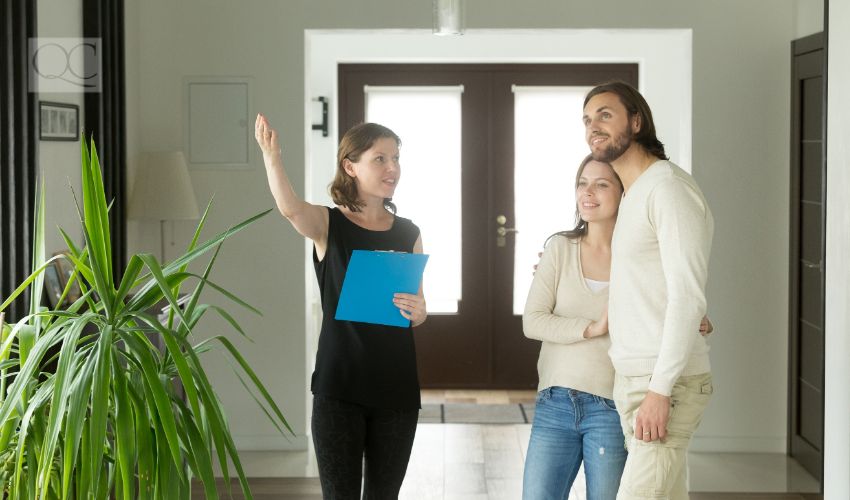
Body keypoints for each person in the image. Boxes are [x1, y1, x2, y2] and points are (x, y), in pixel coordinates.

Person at [255, 115, 427, 499]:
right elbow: (289, 208)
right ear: (350, 166)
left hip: (396, 388)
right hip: (340, 386)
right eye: (380, 158)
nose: (393, 168)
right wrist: (272, 157)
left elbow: (420, 305)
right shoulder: (327, 224)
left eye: (396, 158)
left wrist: (419, 312)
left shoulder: (409, 232)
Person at [521, 156, 712, 500]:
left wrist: (693, 318)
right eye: (582, 183)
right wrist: (591, 328)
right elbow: (533, 320)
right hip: (555, 402)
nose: (588, 193)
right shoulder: (559, 249)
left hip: (612, 405)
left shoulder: (641, 256)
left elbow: (681, 300)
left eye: (602, 184)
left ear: (624, 193)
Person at [582, 81, 714, 499]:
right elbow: (654, 282)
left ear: (636, 121)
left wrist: (660, 390)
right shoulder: (637, 193)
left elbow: (688, 295)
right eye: (587, 120)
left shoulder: (668, 189)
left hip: (663, 384)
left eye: (605, 115)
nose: (593, 127)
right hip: (635, 376)